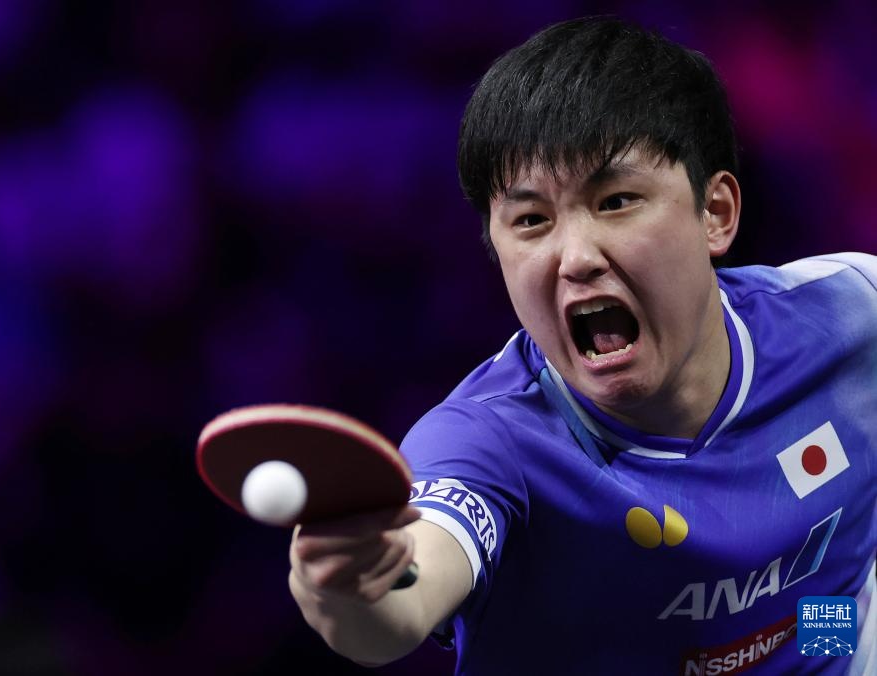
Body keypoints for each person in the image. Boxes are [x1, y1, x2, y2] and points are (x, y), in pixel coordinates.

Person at [288, 16, 876, 675]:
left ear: (715, 213)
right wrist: (358, 587)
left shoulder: (851, 315)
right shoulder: (492, 444)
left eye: (616, 200)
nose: (575, 258)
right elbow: (404, 596)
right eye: (531, 220)